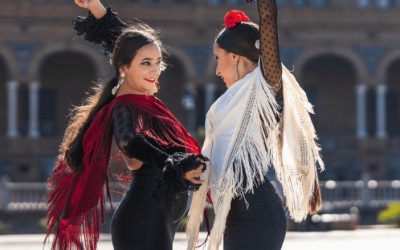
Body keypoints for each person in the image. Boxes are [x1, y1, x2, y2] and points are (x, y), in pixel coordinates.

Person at [44, 1, 207, 249]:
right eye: (145, 63)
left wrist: (98, 9)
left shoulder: (143, 102)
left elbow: (125, 44)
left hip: (156, 222)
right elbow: (130, 143)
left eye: (157, 62)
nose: (155, 71)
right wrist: (175, 164)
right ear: (124, 68)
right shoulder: (124, 106)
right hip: (142, 224)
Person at [186, 1, 324, 250]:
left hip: (258, 216)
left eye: (218, 59)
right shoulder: (230, 100)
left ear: (235, 57)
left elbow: (268, 20)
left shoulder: (267, 90)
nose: (217, 70)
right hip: (235, 214)